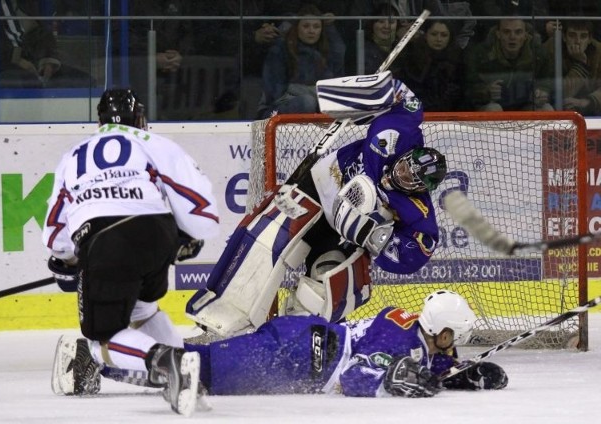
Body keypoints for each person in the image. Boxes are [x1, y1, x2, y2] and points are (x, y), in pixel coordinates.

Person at [187, 74, 447, 338]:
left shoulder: (417, 211)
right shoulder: (398, 132)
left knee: (327, 280)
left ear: (420, 189)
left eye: (408, 179)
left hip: (345, 231)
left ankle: (293, 343)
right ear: (405, 155)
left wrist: (376, 237)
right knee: (265, 240)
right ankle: (216, 323)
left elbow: (415, 253)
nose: (399, 175)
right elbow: (409, 101)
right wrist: (371, 90)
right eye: (403, 167)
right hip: (321, 184)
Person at [43, 88, 220, 415]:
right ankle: (187, 382)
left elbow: (56, 229)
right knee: (142, 311)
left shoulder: (74, 155)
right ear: (140, 118)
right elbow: (201, 211)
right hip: (156, 233)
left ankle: (169, 364)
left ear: (98, 121)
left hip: (103, 241)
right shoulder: (155, 143)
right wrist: (186, 237)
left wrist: (66, 259)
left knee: (104, 338)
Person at [185, 290, 508, 397]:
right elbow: (353, 377)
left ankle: (152, 359)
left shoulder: (417, 340)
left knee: (205, 374)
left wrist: (462, 374)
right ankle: (142, 355)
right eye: (455, 340)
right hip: (297, 352)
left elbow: (423, 366)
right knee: (203, 368)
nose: (454, 347)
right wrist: (390, 383)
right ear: (444, 333)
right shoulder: (398, 337)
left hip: (307, 351)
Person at [0, 0, 94, 89]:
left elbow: (40, 32)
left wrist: (48, 58)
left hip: (31, 61)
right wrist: (15, 57)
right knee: (24, 80)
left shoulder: (24, 3)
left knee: (84, 80)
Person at [257, 4, 346, 118]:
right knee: (307, 102)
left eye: (316, 26)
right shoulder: (280, 49)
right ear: (297, 27)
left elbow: (336, 86)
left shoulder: (326, 52)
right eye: (306, 26)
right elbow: (275, 92)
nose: (311, 31)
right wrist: (316, 94)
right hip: (276, 109)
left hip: (316, 104)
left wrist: (331, 28)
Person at [463, 18, 554, 111]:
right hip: (491, 105)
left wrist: (542, 92)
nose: (512, 37)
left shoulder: (538, 54)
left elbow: (548, 81)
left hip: (526, 105)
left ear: (526, 35)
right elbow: (468, 87)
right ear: (498, 34)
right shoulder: (481, 54)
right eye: (506, 32)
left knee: (546, 109)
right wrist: (486, 91)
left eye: (518, 32)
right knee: (494, 109)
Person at [393, 20, 465, 111]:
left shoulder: (457, 59)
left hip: (450, 113)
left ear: (450, 38)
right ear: (426, 35)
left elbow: (458, 92)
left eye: (444, 35)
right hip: (416, 111)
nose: (438, 39)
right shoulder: (412, 58)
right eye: (434, 34)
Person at [544, 20, 601, 116]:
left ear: (590, 39)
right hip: (560, 110)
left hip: (594, 112)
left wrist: (587, 101)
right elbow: (560, 94)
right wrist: (581, 64)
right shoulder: (550, 49)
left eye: (583, 36)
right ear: (564, 37)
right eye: (572, 35)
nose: (577, 41)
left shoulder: (599, 51)